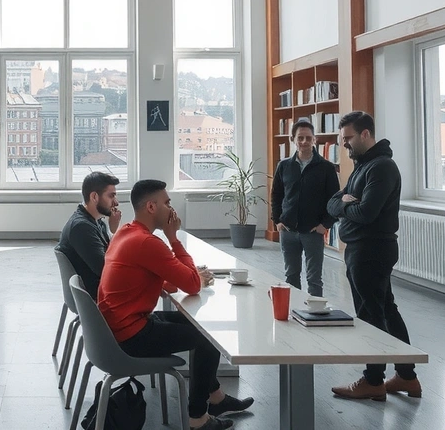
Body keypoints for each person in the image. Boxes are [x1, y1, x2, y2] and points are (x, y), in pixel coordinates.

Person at [96, 179, 253, 430]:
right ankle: (197, 418)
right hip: (130, 335)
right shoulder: (148, 242)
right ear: (151, 206)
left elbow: (160, 282)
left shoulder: (126, 232)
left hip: (115, 328)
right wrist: (174, 238)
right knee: (209, 338)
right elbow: (191, 285)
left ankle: (216, 397)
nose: (171, 208)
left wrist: (180, 276)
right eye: (167, 203)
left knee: (199, 326)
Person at [326, 111, 421, 402]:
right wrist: (343, 204)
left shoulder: (381, 168)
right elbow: (332, 202)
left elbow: (366, 213)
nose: (345, 145)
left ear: (365, 134)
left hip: (371, 250)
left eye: (349, 138)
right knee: (385, 310)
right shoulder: (362, 166)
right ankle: (406, 376)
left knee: (370, 315)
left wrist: (344, 207)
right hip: (362, 249)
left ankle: (373, 380)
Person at [271, 119, 341, 297]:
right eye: (300, 138)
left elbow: (334, 200)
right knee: (291, 276)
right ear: (292, 139)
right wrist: (277, 221)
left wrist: (325, 225)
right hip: (288, 230)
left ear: (314, 140)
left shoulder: (326, 167)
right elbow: (276, 195)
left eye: (308, 138)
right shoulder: (284, 166)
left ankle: (315, 315)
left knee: (314, 279)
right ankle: (293, 313)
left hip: (313, 231)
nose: (304, 142)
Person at [56, 170, 121, 298]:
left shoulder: (98, 223)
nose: (116, 202)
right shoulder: (81, 227)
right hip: (97, 296)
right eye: (111, 196)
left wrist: (113, 231)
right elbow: (106, 270)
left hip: (100, 290)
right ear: (94, 197)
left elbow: (111, 257)